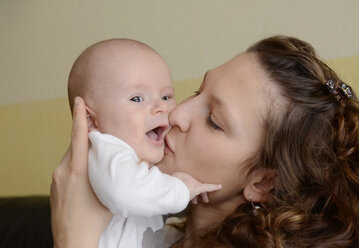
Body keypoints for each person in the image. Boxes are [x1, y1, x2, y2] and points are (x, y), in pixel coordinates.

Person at [51, 36, 359, 247]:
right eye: (198, 92)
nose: (176, 115)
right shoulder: (161, 235)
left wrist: (73, 237)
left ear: (263, 182)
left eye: (213, 121)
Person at [66, 39, 222, 248]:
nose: (161, 108)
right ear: (91, 120)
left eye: (166, 96)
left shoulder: (137, 163)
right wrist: (181, 189)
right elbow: (125, 191)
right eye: (137, 99)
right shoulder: (108, 149)